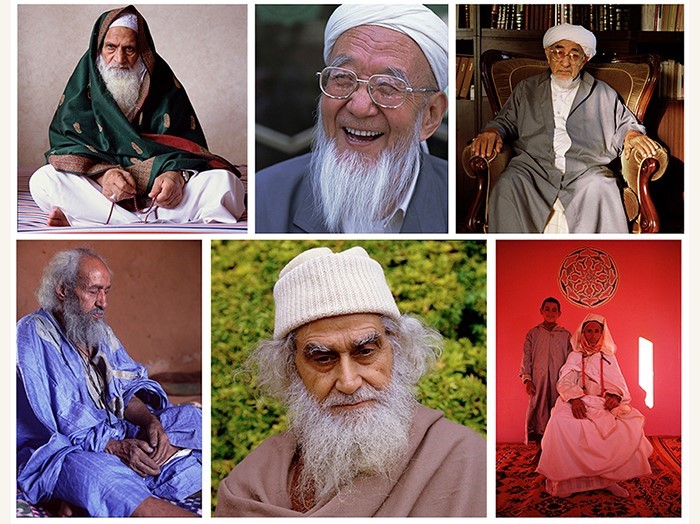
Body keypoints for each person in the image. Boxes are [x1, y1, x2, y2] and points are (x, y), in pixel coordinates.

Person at [215, 246, 486, 516]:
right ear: (292, 368)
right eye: (323, 359)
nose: (348, 382)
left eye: (365, 352)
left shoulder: (464, 459)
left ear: (397, 350)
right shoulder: (250, 486)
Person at [16, 248, 202, 517]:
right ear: (63, 290)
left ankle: (87, 495)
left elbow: (126, 390)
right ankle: (117, 486)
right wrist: (115, 448)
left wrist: (151, 423)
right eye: (94, 291)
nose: (103, 302)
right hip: (67, 449)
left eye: (106, 291)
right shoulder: (32, 333)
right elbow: (64, 421)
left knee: (193, 419)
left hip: (117, 432)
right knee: (96, 473)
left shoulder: (99, 330)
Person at [29, 5, 245, 227]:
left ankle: (87, 219)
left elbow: (187, 146)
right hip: (103, 190)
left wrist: (177, 176)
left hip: (161, 193)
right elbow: (66, 144)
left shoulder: (164, 84)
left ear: (143, 51)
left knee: (225, 184)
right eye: (111, 47)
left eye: (129, 49)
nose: (119, 59)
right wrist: (103, 175)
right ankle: (130, 219)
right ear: (98, 48)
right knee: (43, 180)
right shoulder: (81, 87)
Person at [256, 4, 448, 233]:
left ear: (431, 115)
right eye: (343, 79)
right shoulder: (265, 196)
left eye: (387, 87)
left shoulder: (463, 201)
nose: (359, 107)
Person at [470, 23, 660, 233]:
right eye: (558, 52)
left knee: (601, 186)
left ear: (585, 59)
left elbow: (625, 123)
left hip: (586, 169)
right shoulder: (527, 89)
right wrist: (492, 131)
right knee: (508, 184)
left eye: (574, 55)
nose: (565, 61)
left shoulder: (603, 93)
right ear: (548, 54)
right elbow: (504, 121)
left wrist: (632, 134)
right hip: (533, 167)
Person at [536, 314, 652, 497]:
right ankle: (569, 484)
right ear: (582, 333)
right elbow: (565, 382)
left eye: (596, 331)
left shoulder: (608, 356)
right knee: (560, 422)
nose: (592, 335)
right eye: (588, 330)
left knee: (623, 425)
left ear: (602, 333)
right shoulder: (575, 355)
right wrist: (574, 399)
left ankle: (609, 481)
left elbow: (619, 383)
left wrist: (615, 396)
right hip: (577, 400)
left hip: (601, 402)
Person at [519, 297, 572, 453]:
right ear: (541, 311)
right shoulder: (533, 334)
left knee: (558, 413)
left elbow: (571, 361)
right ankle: (540, 450)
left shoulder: (565, 335)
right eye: (547, 309)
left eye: (554, 310)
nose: (550, 312)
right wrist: (527, 379)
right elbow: (526, 358)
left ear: (559, 313)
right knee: (539, 412)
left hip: (559, 383)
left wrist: (569, 384)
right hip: (538, 381)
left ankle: (557, 451)